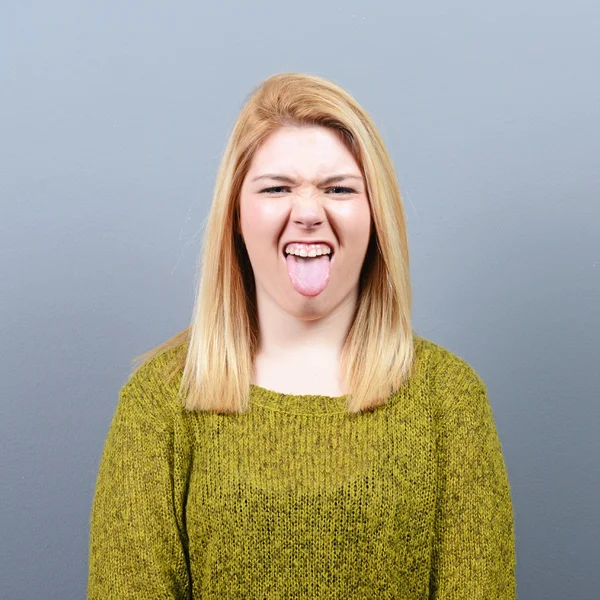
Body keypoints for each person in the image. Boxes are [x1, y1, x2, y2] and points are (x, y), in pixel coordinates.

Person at [87, 72, 516, 598]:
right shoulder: (159, 403)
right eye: (277, 188)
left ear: (376, 214)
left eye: (339, 189)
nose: (309, 213)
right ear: (237, 215)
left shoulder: (449, 400)